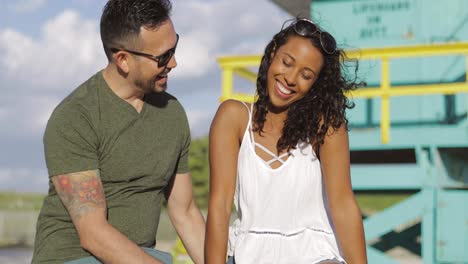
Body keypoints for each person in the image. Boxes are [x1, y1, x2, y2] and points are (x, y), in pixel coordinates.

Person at [32, 0, 205, 263]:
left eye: (174, 49)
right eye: (162, 57)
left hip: (142, 255)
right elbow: (94, 235)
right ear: (123, 59)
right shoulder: (76, 117)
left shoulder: (173, 113)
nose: (174, 63)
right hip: (73, 258)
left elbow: (186, 212)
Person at [205, 18, 367, 263]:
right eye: (287, 62)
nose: (290, 78)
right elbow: (219, 206)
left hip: (317, 256)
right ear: (272, 54)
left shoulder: (326, 126)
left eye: (306, 75)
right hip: (249, 255)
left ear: (315, 85)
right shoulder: (234, 117)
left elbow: (344, 206)